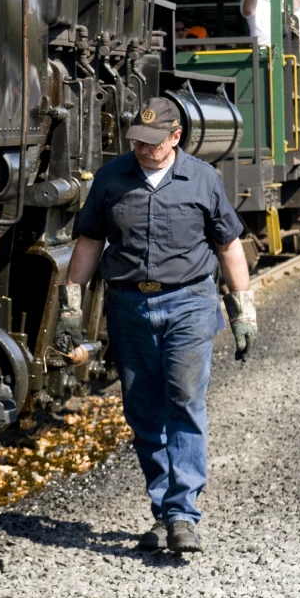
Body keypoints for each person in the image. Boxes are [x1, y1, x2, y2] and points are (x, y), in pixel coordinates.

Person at [55, 97, 257, 554]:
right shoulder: (111, 178)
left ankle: (183, 513)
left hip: (189, 303)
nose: (144, 150)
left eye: (153, 142)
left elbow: (229, 247)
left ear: (176, 136)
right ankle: (164, 510)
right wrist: (71, 304)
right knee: (143, 412)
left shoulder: (202, 178)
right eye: (138, 142)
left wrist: (243, 311)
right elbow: (89, 242)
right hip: (129, 307)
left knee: (184, 402)